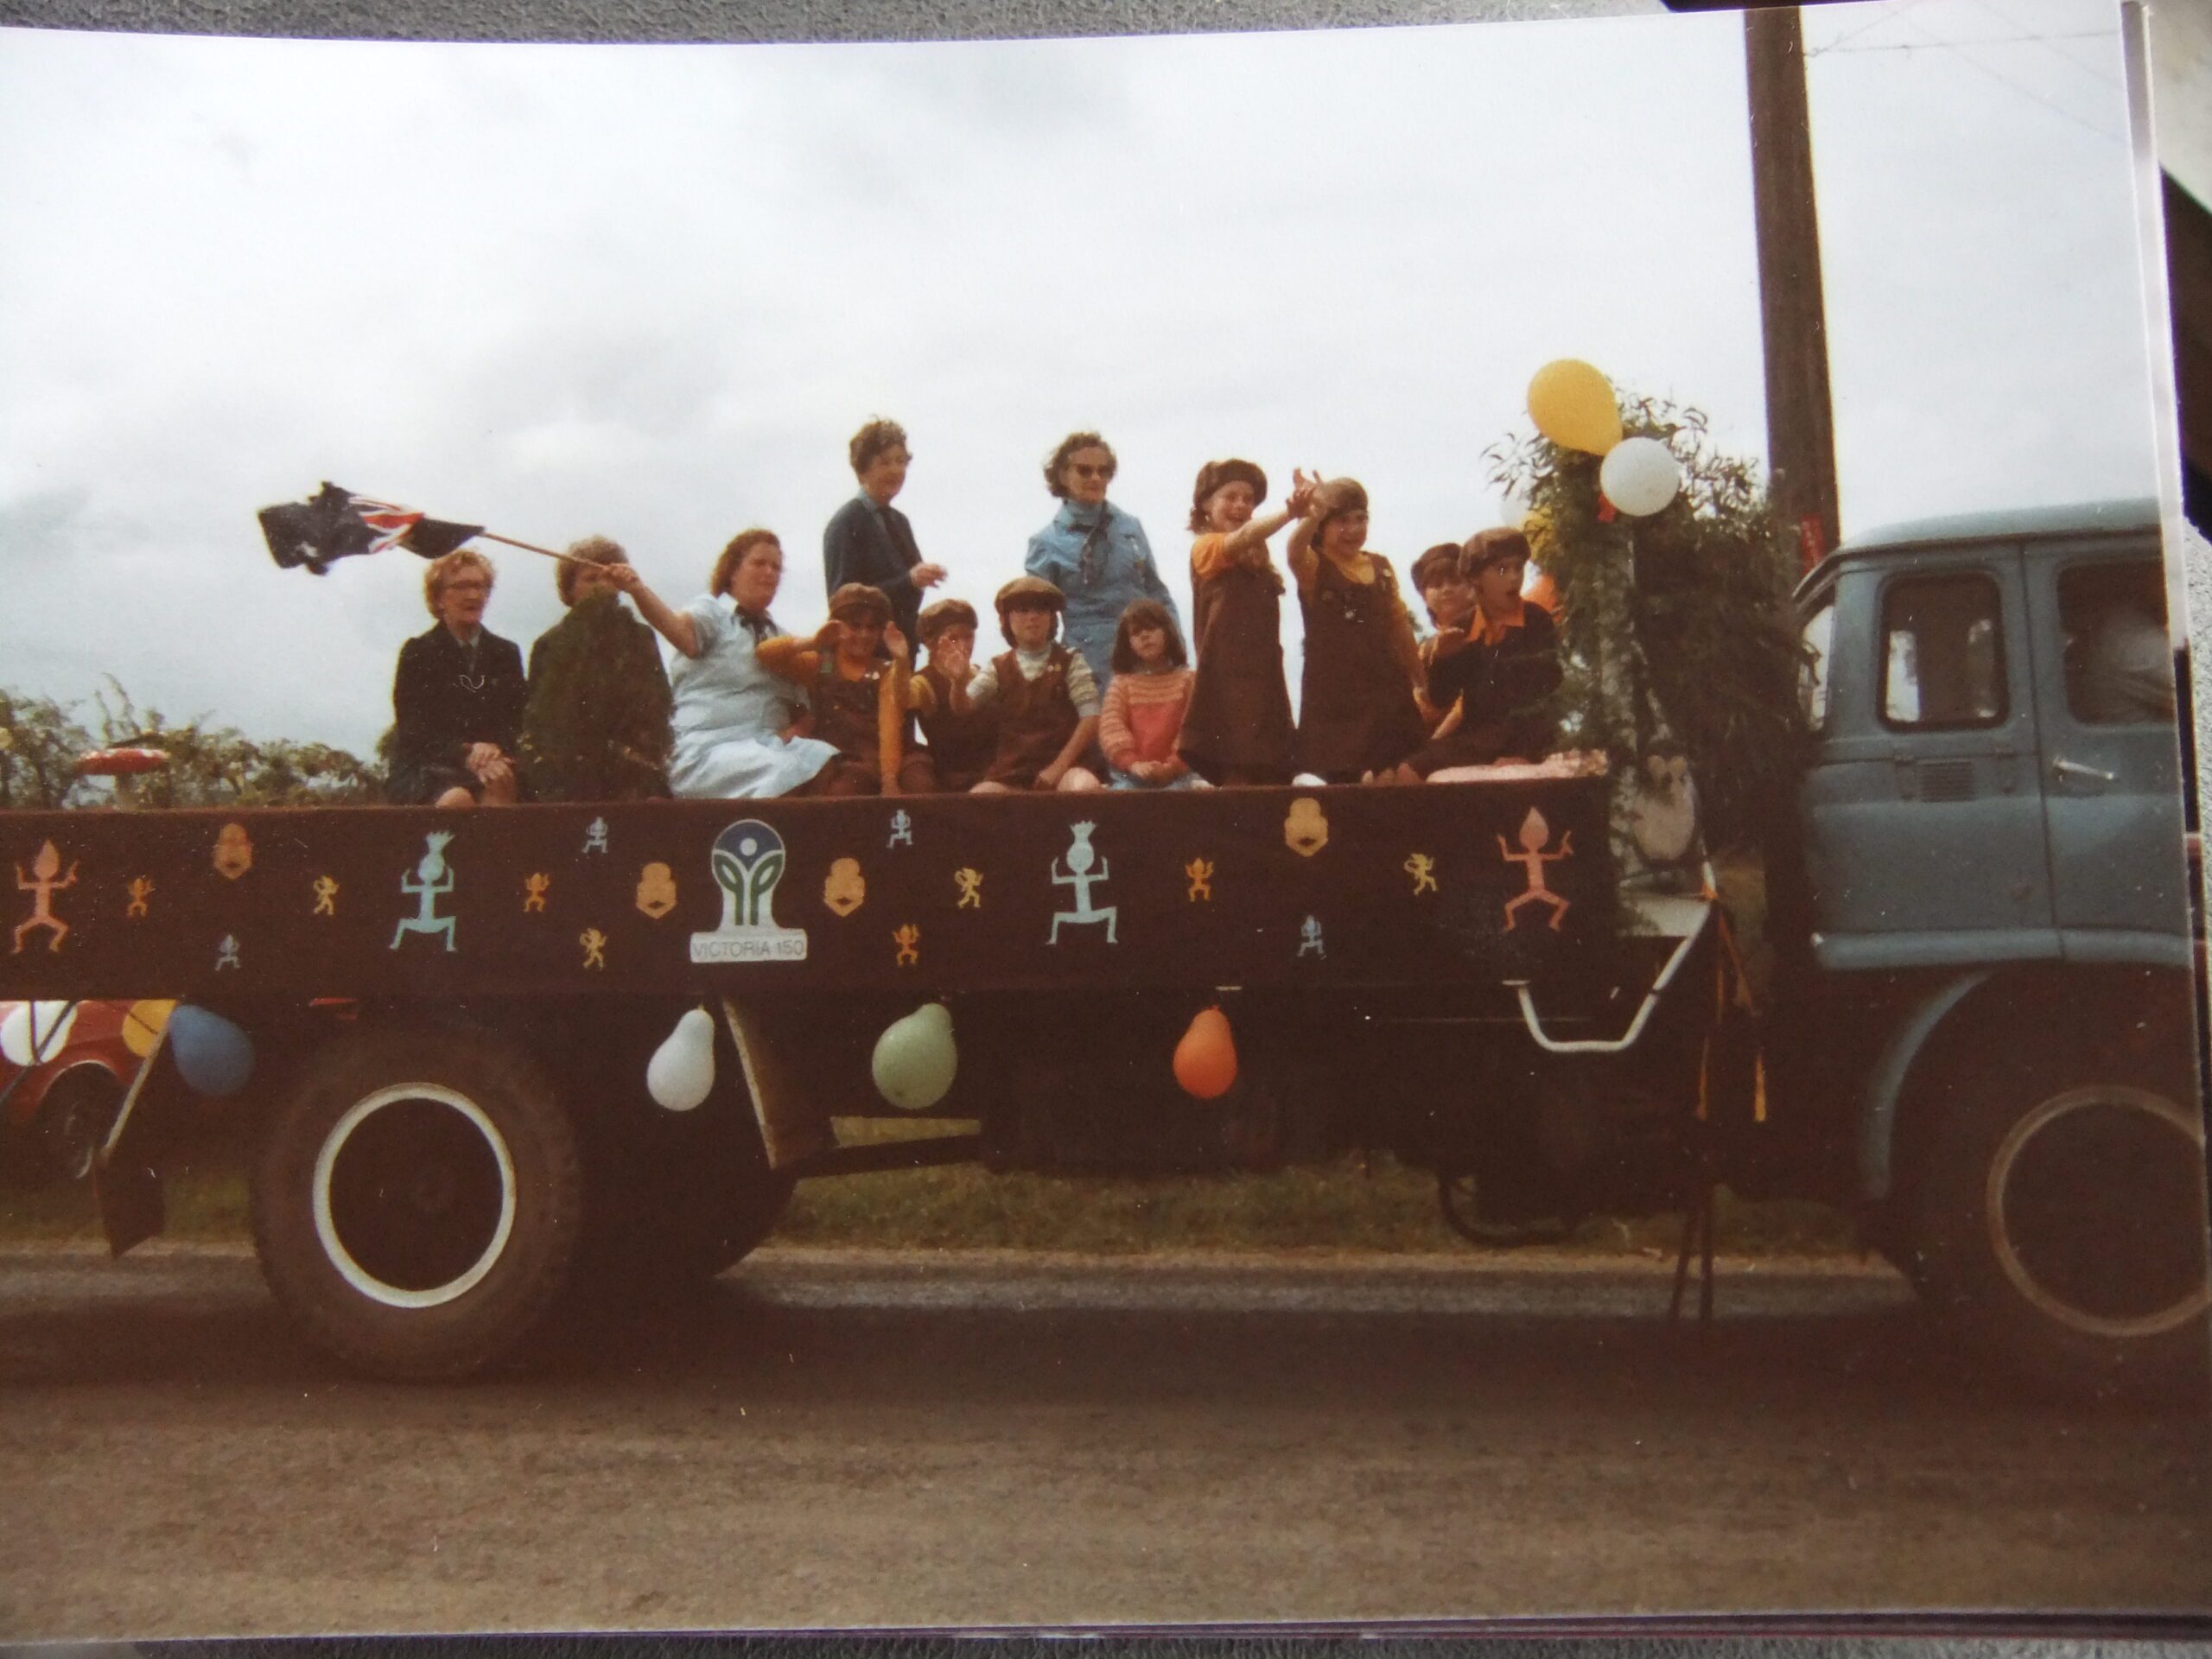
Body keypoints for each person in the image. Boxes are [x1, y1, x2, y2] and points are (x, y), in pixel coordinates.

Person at [609, 530, 840, 798]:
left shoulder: (782, 637)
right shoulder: (711, 612)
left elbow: (813, 693)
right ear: (733, 571)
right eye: (759, 563)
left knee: (826, 760)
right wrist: (637, 589)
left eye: (776, 567)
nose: (769, 572)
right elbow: (681, 634)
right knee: (785, 771)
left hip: (769, 747)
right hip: (708, 750)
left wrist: (827, 655)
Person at [1286, 476, 1427, 784]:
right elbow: (1294, 551)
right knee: (1346, 784)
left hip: (1387, 690)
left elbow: (1400, 626)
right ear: (1322, 527)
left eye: (1360, 519)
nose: (1353, 529)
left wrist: (1422, 681)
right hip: (1337, 698)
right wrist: (1312, 513)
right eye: (1342, 521)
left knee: (1394, 776)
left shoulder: (1381, 567)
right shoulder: (1314, 566)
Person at [1179, 458, 1308, 786]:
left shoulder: (1260, 558)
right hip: (1226, 684)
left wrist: (1312, 510)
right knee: (1237, 774)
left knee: (1273, 774)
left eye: (1248, 499)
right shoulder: (1206, 547)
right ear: (1206, 505)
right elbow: (1244, 536)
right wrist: (1289, 512)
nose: (1241, 505)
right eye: (1230, 497)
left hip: (1265, 678)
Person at [1396, 527, 1563, 780]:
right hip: (1480, 737)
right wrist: (1443, 658)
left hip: (1525, 734)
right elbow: (1441, 698)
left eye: (1519, 568)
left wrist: (1523, 752)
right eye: (1502, 569)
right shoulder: (1464, 625)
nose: (1514, 578)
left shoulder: (1535, 620)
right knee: (1407, 770)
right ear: (1475, 579)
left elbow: (1545, 696)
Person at [518, 536, 673, 802]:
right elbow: (541, 724)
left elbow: (658, 708)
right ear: (569, 589)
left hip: (633, 771)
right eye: (591, 579)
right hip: (570, 773)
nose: (602, 586)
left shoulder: (640, 637)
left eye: (609, 578)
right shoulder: (550, 644)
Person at [1023, 431, 1179, 692]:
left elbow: (1156, 591)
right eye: (1084, 471)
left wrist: (1176, 648)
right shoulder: (1046, 543)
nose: (1096, 478)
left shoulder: (1130, 528)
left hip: (1144, 658)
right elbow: (1037, 621)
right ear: (1063, 475)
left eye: (1103, 471)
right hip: (1087, 668)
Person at [756, 583, 931, 797]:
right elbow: (765, 655)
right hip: (843, 760)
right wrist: (813, 642)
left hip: (888, 759)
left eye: (872, 628)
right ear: (836, 626)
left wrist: (889, 779)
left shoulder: (885, 671)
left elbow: (889, 726)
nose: (864, 635)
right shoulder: (821, 665)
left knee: (921, 785)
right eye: (855, 626)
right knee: (842, 790)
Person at [387, 547, 528, 809]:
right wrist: (467, 752)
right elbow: (413, 730)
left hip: (488, 765)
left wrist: (493, 750)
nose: (473, 595)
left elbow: (514, 721)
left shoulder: (506, 653)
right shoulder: (418, 652)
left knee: (500, 784)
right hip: (427, 767)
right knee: (457, 800)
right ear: (439, 598)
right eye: (461, 586)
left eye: (479, 586)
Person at [968, 575, 1103, 793]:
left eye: (1041, 609)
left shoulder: (1071, 661)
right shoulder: (997, 667)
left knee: (1084, 788)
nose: (1032, 617)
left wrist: (1058, 768)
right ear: (1008, 619)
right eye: (1022, 610)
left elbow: (1091, 718)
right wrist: (957, 682)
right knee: (980, 796)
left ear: (1051, 618)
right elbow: (965, 706)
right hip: (1012, 773)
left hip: (1066, 769)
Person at [821, 417, 945, 643]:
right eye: (885, 462)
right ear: (862, 470)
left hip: (902, 650)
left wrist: (920, 579)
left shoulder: (900, 522)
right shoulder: (846, 522)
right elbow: (841, 601)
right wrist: (910, 581)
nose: (896, 470)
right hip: (864, 653)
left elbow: (909, 595)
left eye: (901, 461)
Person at [1100, 599, 1205, 791]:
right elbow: (1111, 727)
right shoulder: (1122, 684)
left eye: (1151, 628)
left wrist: (1173, 766)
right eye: (1136, 632)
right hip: (1131, 774)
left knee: (1180, 798)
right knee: (1122, 798)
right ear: (1127, 643)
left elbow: (1194, 728)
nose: (1145, 635)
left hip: (1179, 773)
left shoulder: (1188, 681)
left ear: (1168, 632)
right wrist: (1133, 763)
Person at [903, 597, 1000, 794]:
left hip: (994, 772)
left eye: (969, 637)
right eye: (954, 639)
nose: (963, 646)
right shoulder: (924, 682)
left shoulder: (983, 675)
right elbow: (903, 698)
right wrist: (900, 661)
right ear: (930, 643)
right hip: (952, 779)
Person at [1409, 540, 1477, 741]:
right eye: (1437, 585)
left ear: (1472, 587)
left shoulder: (1490, 631)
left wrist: (1434, 745)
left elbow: (1469, 702)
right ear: (1424, 596)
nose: (1447, 589)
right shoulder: (1423, 651)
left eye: (1455, 582)